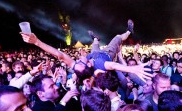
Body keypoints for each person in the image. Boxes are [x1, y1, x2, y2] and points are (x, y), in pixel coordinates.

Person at [20, 20, 153, 85]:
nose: (79, 58)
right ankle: (129, 31)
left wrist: (37, 42)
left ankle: (96, 38)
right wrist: (132, 69)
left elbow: (59, 54)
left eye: (77, 61)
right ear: (89, 64)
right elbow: (115, 66)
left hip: (95, 52)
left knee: (95, 43)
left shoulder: (78, 66)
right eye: (82, 61)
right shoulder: (101, 65)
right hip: (107, 53)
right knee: (118, 37)